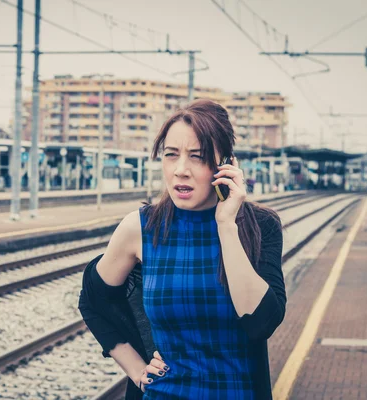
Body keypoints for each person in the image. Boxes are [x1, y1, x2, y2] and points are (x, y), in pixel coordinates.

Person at [79, 99, 286, 400]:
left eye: (197, 157)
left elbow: (260, 323)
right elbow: (93, 300)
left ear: (226, 164)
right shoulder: (141, 227)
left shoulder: (260, 226)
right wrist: (137, 368)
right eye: (171, 155)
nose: (180, 170)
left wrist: (227, 224)